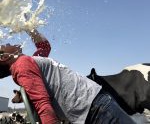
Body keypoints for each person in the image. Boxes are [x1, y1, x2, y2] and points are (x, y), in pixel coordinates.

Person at [0, 44, 136, 124]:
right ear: (4, 57)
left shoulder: (28, 62)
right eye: (5, 44)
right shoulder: (22, 65)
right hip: (95, 109)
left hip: (93, 107)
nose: (9, 43)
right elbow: (42, 104)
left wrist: (29, 27)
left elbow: (44, 46)